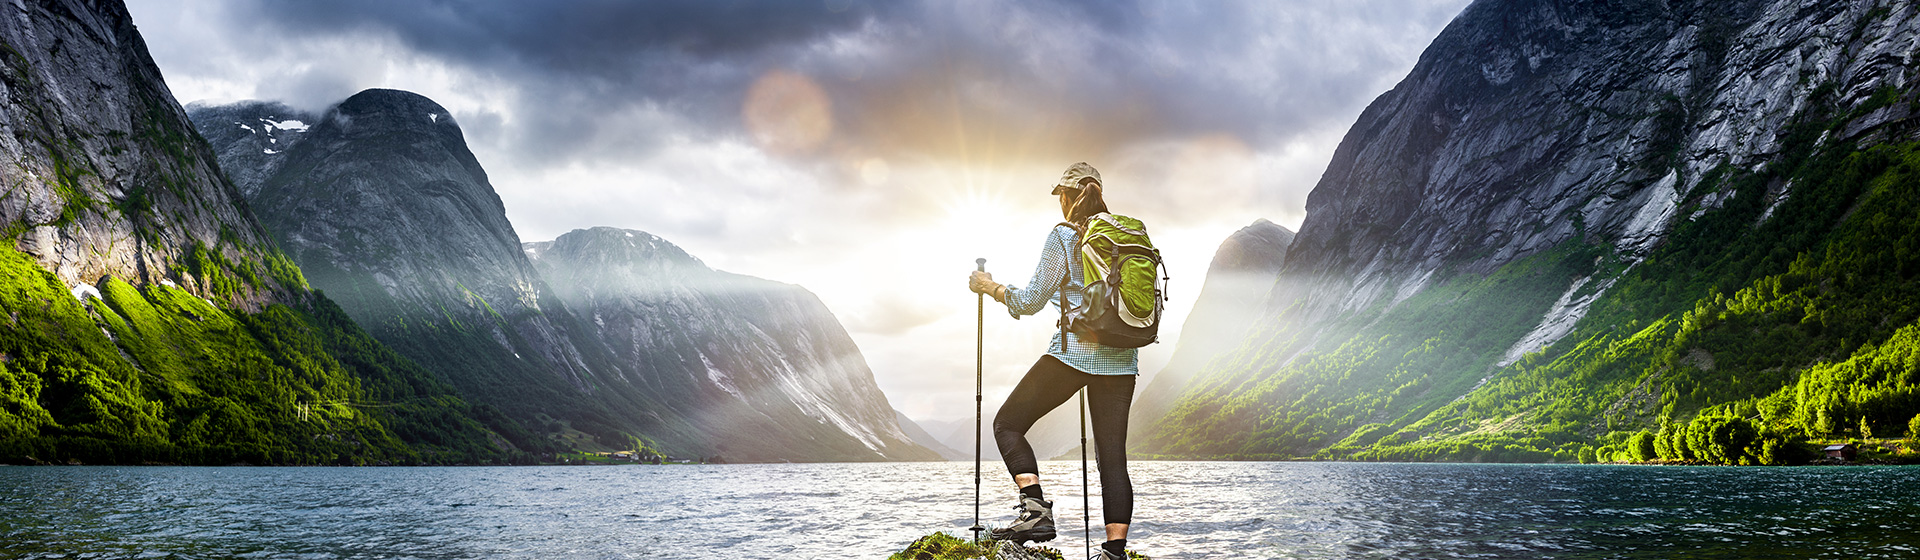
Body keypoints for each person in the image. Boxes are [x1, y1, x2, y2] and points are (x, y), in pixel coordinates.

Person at [969, 162, 1137, 560]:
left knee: (1007, 423)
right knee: (1112, 457)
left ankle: (1035, 512)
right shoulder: (1125, 235)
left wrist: (989, 286)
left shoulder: (1065, 235)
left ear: (1066, 196)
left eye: (1059, 195)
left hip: (1075, 352)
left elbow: (1030, 301)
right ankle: (1115, 553)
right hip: (1122, 358)